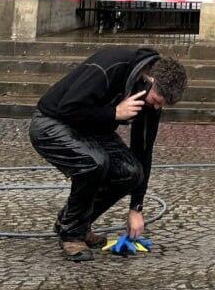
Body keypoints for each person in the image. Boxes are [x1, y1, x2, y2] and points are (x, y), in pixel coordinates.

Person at [29, 46, 188, 261]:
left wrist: (136, 208)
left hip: (93, 128)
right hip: (52, 123)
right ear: (149, 79)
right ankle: (72, 234)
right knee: (95, 162)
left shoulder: (149, 98)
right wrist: (114, 113)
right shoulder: (112, 65)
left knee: (131, 171)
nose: (157, 107)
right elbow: (69, 108)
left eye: (163, 105)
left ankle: (73, 221)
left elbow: (143, 149)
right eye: (157, 100)